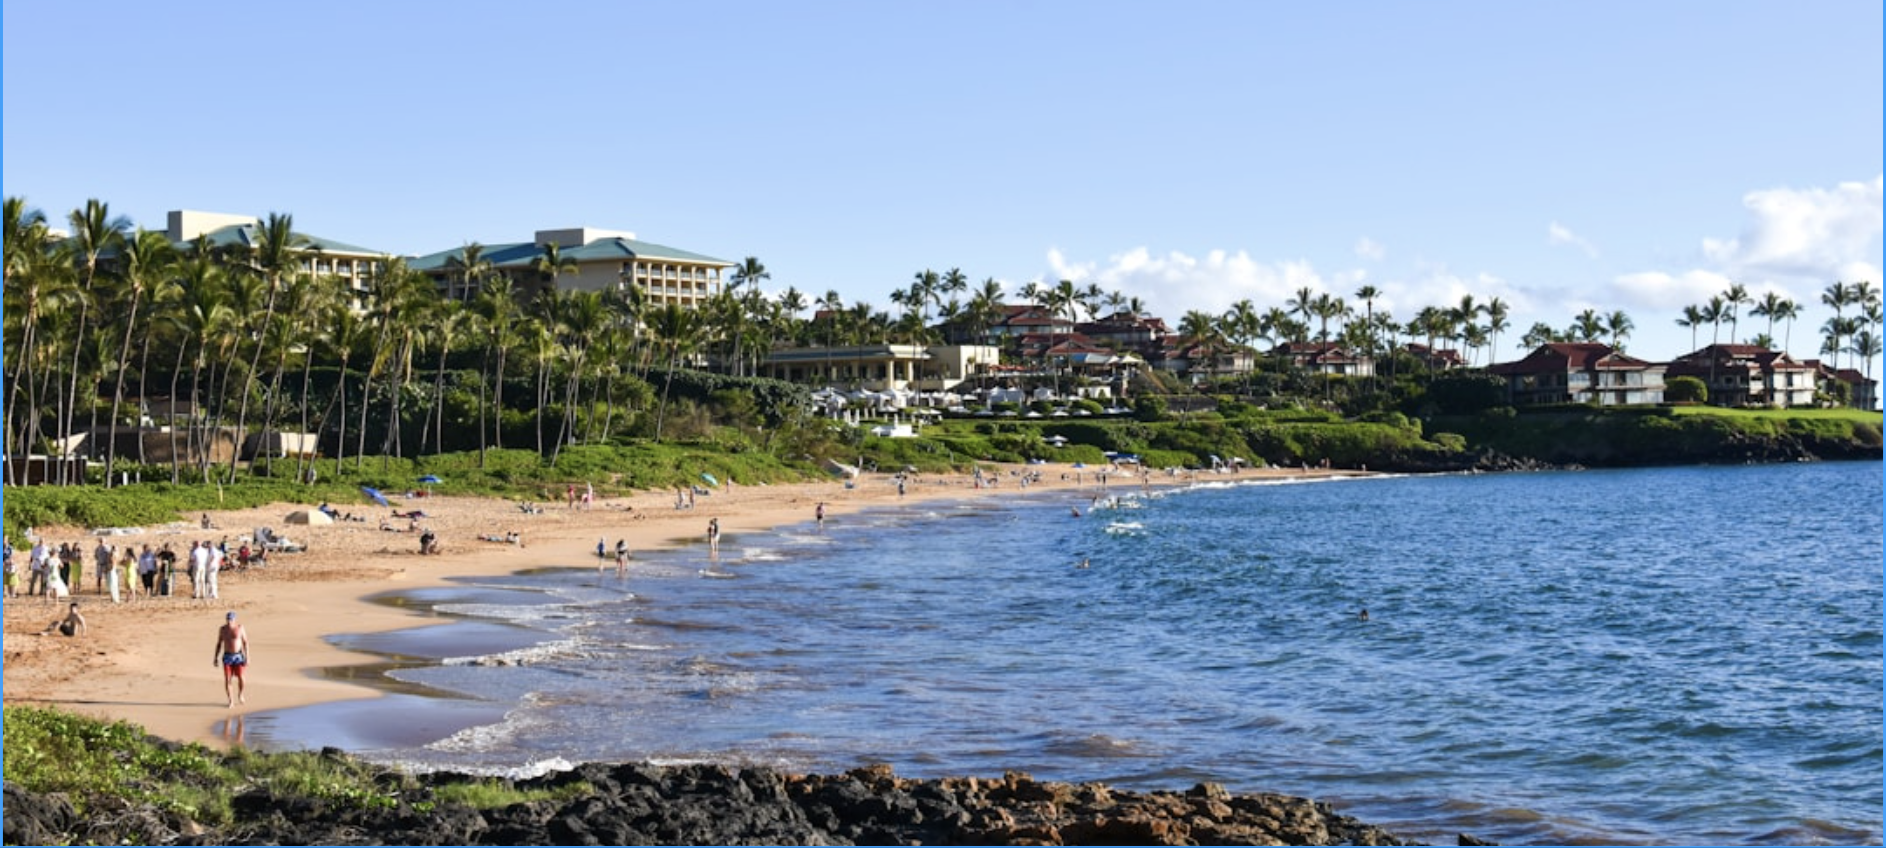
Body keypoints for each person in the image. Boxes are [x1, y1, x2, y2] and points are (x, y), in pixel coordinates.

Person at [213, 611, 249, 707]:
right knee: (228, 679)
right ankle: (231, 701)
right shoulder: (223, 629)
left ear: (234, 619)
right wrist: (215, 657)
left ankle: (240, 694)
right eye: (228, 619)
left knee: (241, 677)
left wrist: (247, 657)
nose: (229, 621)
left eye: (231, 619)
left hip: (238, 656)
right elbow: (219, 643)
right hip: (227, 656)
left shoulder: (240, 628)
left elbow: (245, 642)